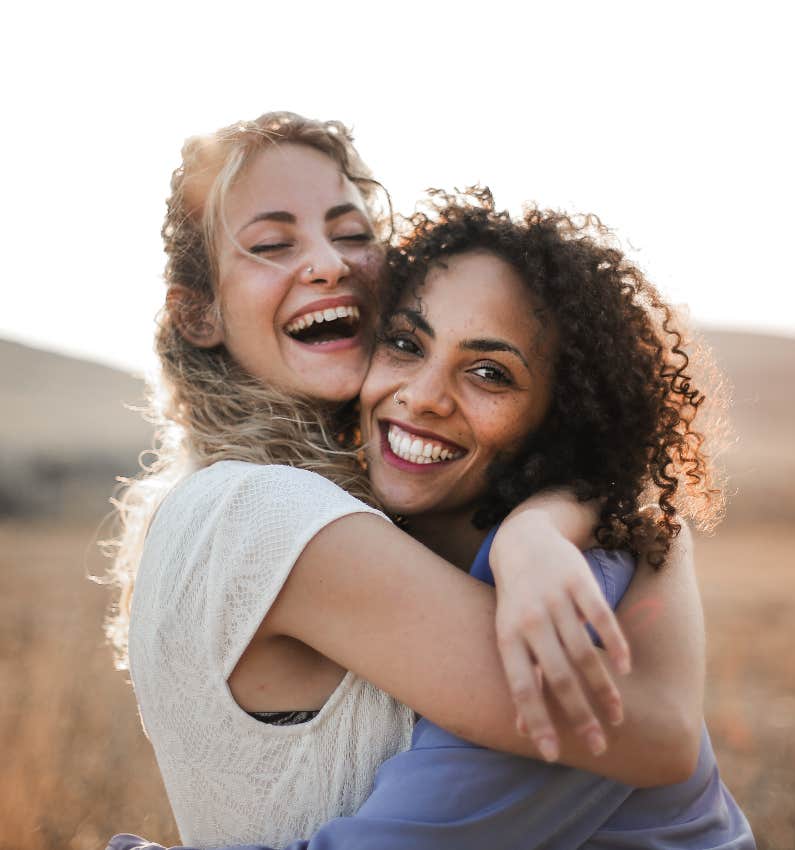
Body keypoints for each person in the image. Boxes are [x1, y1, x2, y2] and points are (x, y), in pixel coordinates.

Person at [105, 112, 711, 849]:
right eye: (270, 244)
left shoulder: (250, 501)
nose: (328, 263)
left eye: (351, 233)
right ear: (198, 314)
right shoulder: (269, 511)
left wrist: (555, 520)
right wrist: (613, 525)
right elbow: (654, 731)